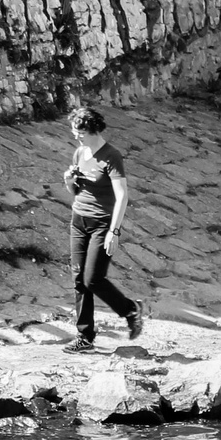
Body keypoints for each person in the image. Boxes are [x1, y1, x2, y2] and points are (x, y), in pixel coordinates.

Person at [61, 105, 144, 353]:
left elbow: (122, 197)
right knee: (78, 280)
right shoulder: (79, 153)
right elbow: (75, 191)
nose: (77, 136)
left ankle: (130, 310)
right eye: (75, 131)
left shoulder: (111, 156)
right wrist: (68, 181)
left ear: (94, 130)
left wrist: (113, 232)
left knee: (93, 279)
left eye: (81, 132)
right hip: (79, 220)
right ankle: (85, 336)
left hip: (102, 224)